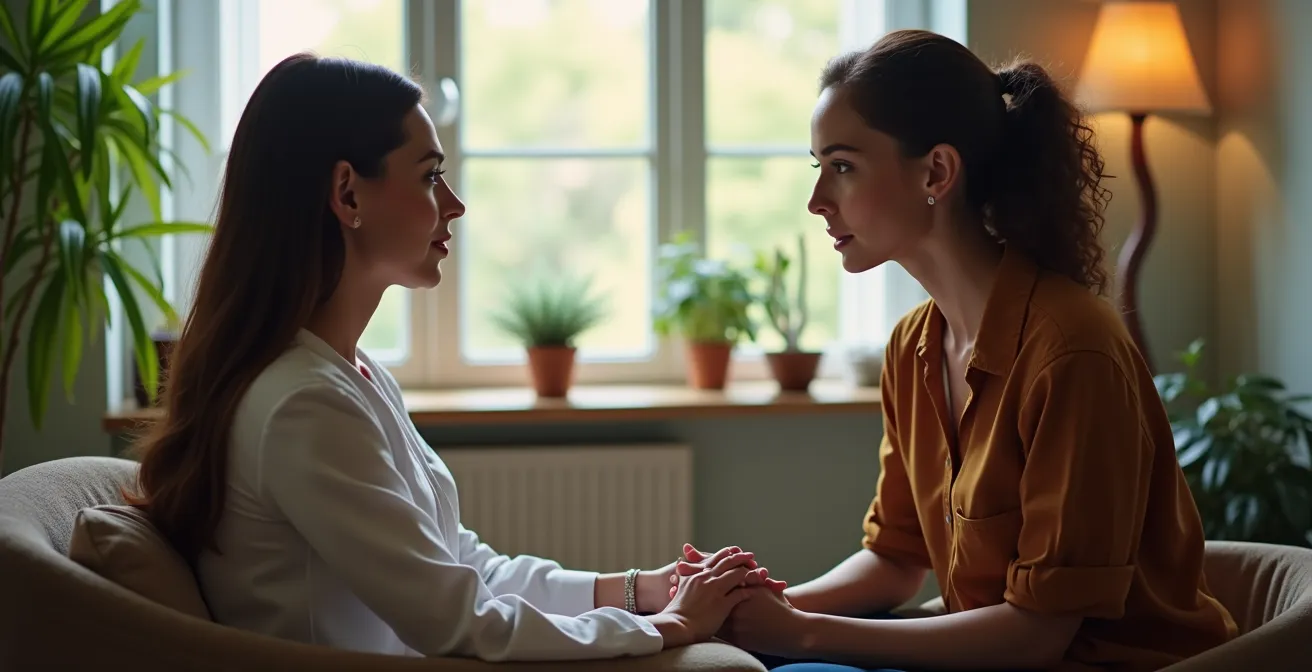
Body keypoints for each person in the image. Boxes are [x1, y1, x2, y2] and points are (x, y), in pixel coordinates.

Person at [124, 53, 783, 661]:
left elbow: (464, 567)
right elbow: (459, 622)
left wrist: (644, 587)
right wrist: (668, 627)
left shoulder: (346, 375)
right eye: (431, 176)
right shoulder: (303, 404)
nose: (455, 205)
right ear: (348, 194)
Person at [704, 30, 1239, 672]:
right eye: (819, 167)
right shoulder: (911, 348)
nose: (817, 202)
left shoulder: (1072, 352)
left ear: (936, 171)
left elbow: (1037, 636)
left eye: (843, 166)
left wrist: (800, 633)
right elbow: (896, 562)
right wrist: (749, 607)